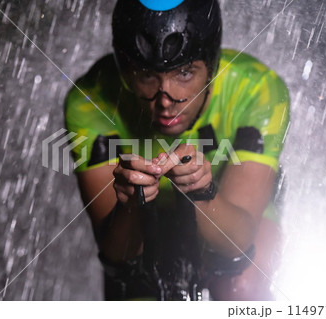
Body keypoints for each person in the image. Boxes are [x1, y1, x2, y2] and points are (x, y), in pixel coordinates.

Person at [65, 0, 289, 300]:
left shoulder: (258, 89)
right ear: (124, 71)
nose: (166, 98)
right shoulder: (90, 100)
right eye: (146, 75)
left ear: (212, 67)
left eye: (184, 73)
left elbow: (236, 243)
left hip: (231, 203)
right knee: (133, 295)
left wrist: (204, 191)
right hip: (149, 214)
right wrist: (130, 203)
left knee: (242, 286)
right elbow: (118, 256)